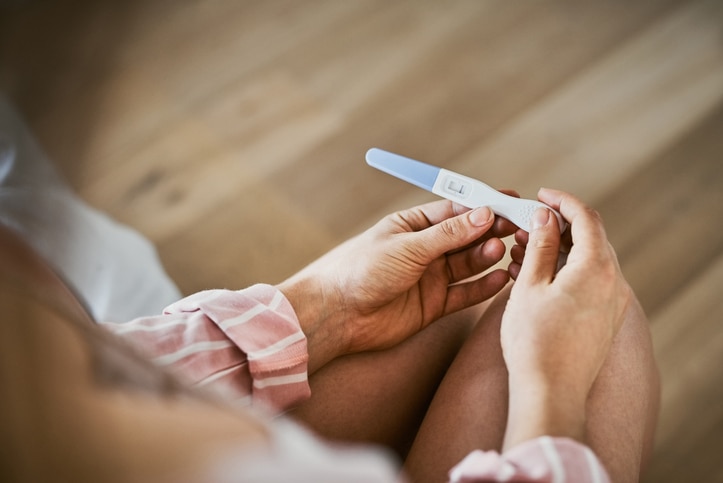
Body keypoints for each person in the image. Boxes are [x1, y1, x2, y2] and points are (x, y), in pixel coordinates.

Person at [0, 96, 659, 482]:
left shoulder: (47, 392)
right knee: (602, 333)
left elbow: (120, 367)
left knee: (473, 314)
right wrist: (552, 388)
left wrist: (321, 307)